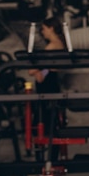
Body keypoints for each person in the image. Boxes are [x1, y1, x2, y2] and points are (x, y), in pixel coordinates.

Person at [28, 17, 66, 161]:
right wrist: (40, 72)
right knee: (48, 123)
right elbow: (44, 69)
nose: (42, 32)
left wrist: (37, 71)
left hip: (48, 87)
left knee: (45, 124)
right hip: (49, 82)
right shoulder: (58, 45)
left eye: (44, 28)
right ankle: (49, 159)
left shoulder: (53, 46)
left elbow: (33, 70)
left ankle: (47, 160)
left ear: (51, 28)